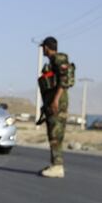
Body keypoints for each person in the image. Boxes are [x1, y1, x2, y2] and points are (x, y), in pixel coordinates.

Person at [37, 36, 74, 178]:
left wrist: (55, 101)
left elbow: (64, 82)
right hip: (52, 101)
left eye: (43, 48)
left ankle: (58, 166)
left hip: (57, 103)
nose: (42, 50)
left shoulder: (59, 60)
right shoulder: (53, 62)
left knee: (55, 135)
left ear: (47, 47)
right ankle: (55, 164)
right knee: (53, 133)